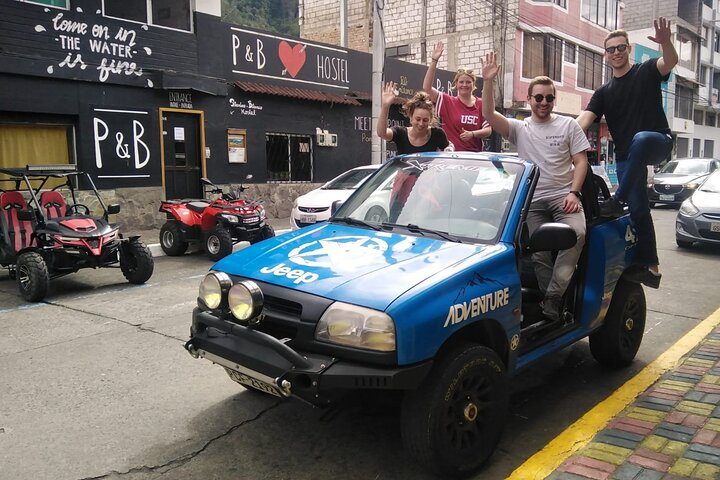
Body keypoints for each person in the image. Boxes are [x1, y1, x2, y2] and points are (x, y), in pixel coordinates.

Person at [481, 52, 589, 322]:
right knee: (539, 256)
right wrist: (487, 81)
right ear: (529, 99)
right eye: (538, 97)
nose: (543, 102)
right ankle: (550, 303)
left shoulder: (569, 125)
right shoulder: (520, 128)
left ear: (555, 99)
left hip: (564, 198)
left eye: (548, 97)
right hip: (532, 201)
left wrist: (574, 193)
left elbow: (581, 161)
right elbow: (488, 114)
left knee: (577, 234)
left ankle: (553, 297)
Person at [577, 18, 677, 289]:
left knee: (641, 139)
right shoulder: (604, 92)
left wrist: (666, 42)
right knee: (639, 210)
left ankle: (617, 198)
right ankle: (652, 269)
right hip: (625, 158)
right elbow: (583, 122)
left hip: (657, 142)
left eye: (621, 47)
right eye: (611, 49)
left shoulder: (645, 71)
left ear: (628, 49)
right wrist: (554, 134)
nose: (617, 52)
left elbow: (669, 61)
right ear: (605, 55)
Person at [376, 81, 450, 221]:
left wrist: (449, 149)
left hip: (429, 192)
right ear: (410, 117)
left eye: (425, 120)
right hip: (402, 192)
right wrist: (385, 105)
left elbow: (448, 150)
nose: (421, 124)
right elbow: (382, 133)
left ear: (431, 120)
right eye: (417, 119)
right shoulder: (400, 133)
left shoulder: (438, 134)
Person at [423, 42, 492, 152]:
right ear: (456, 84)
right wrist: (434, 61)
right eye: (461, 82)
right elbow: (427, 88)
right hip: (451, 156)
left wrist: (473, 134)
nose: (464, 85)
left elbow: (488, 130)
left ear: (474, 85)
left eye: (468, 82)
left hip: (474, 157)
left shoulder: (481, 104)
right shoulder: (447, 101)